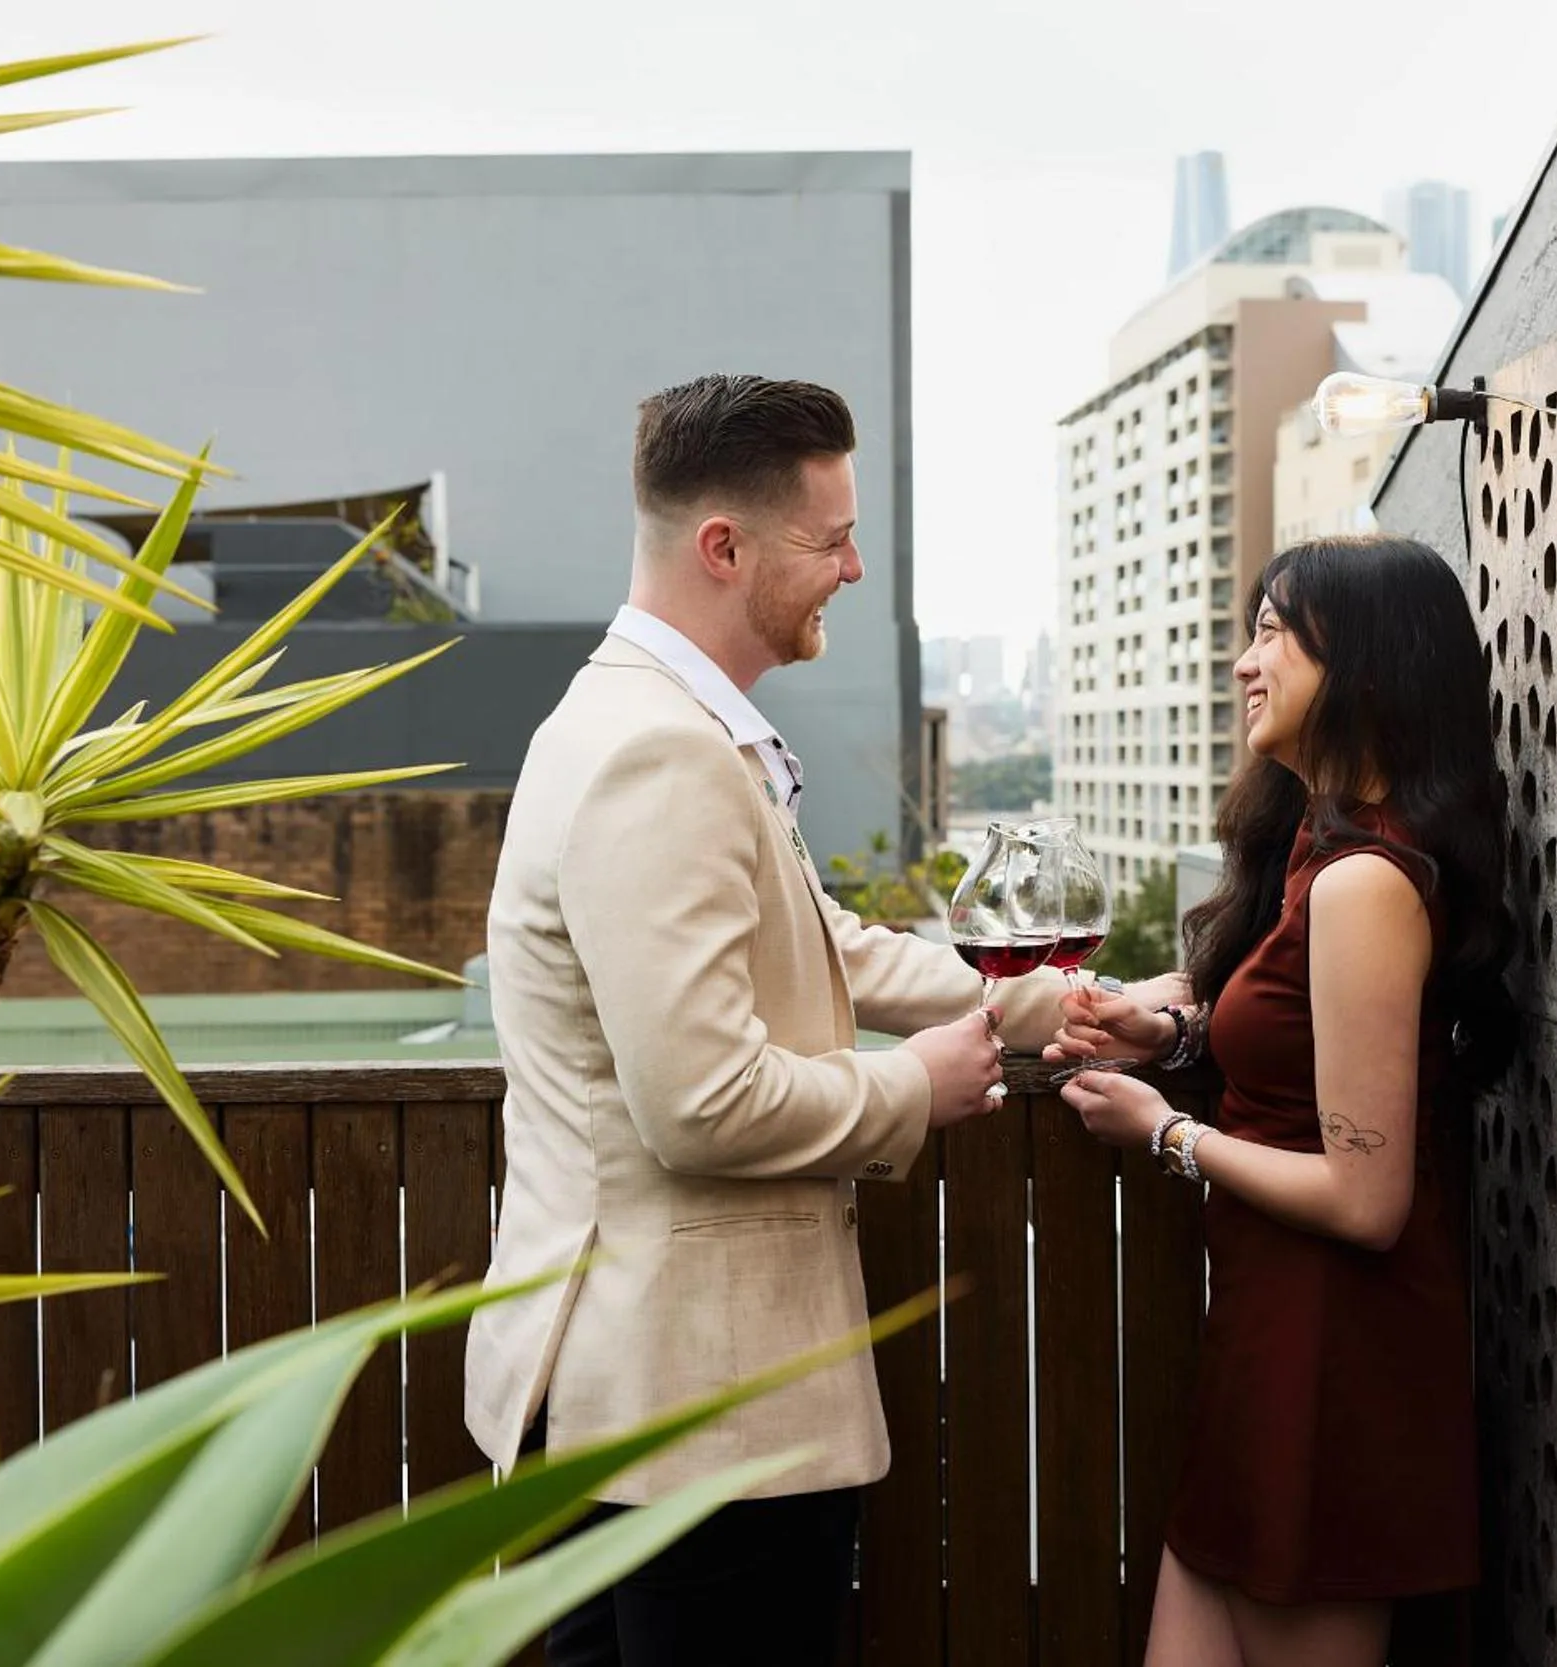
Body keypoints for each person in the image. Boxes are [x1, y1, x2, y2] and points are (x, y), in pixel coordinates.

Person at [464, 374, 1089, 1666]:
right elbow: (700, 1102)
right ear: (723, 546)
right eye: (831, 537)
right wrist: (916, 1083)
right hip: (695, 1406)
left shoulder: (661, 723)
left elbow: (821, 943)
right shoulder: (663, 752)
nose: (855, 568)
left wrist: (1044, 1004)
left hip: (640, 1393)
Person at [1049, 534, 1520, 1667]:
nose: (1243, 661)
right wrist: (1179, 1029)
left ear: (1358, 667)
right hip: (1271, 1342)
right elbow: (1307, 1049)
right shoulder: (1320, 847)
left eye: (1272, 632)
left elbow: (1366, 1197)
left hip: (1334, 1362)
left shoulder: (1366, 880)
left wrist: (1164, 1130)